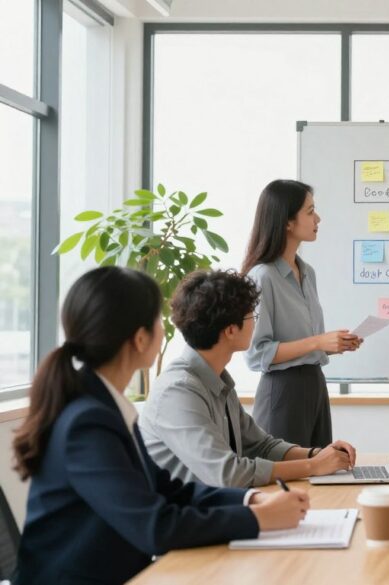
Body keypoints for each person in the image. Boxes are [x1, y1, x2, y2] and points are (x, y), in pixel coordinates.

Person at [12, 267, 308, 585]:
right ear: (140, 339)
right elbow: (155, 527)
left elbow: (170, 491)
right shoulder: (88, 423)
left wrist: (251, 500)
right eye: (158, 320)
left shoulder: (105, 407)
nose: (167, 329)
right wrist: (257, 519)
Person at [141, 270, 359, 488]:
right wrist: (313, 466)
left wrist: (318, 454)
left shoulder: (218, 381)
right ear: (230, 331)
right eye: (252, 316)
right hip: (185, 517)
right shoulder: (179, 391)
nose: (255, 324)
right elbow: (228, 474)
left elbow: (261, 446)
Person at [242, 179, 362, 446]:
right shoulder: (263, 277)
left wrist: (333, 345)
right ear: (287, 222)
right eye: (310, 212)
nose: (317, 218)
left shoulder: (307, 272)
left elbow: (303, 342)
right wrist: (319, 342)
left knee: (321, 474)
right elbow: (256, 353)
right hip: (283, 391)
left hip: (315, 385)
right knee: (288, 479)